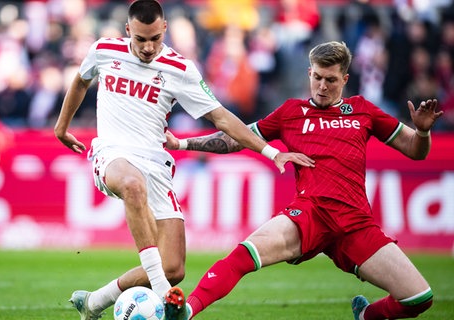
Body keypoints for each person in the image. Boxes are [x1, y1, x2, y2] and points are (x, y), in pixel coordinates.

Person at [53, 1, 314, 320]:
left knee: (173, 267)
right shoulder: (104, 49)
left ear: (164, 29)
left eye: (154, 39)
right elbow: (81, 80)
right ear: (127, 32)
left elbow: (221, 118)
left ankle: (94, 302)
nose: (148, 48)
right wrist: (61, 127)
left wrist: (270, 151)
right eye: (140, 40)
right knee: (133, 186)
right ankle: (164, 295)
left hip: (156, 164)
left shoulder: (181, 69)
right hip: (111, 153)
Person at [163, 41, 443, 320]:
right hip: (310, 214)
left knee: (419, 298)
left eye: (331, 80)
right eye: (317, 77)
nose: (322, 86)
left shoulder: (363, 111)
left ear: (344, 79)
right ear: (309, 73)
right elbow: (236, 137)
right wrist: (183, 144)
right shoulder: (290, 113)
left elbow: (414, 151)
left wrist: (421, 133)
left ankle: (367, 316)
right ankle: (187, 311)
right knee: (244, 254)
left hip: (356, 223)